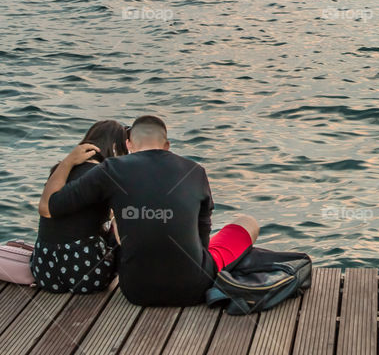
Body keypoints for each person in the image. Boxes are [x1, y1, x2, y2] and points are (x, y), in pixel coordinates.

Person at [38, 114, 259, 306]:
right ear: (167, 145)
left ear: (129, 144)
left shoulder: (110, 169)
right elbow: (202, 237)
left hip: (135, 291)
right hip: (193, 288)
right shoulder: (195, 170)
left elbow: (52, 206)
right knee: (247, 223)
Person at [31, 120, 127, 294]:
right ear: (114, 147)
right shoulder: (105, 175)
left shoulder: (59, 171)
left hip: (44, 272)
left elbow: (48, 209)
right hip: (85, 275)